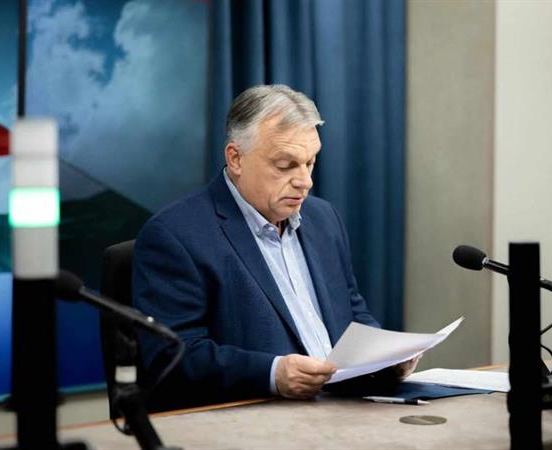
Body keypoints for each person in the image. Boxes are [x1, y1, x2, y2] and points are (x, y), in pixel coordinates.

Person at [133, 84, 418, 408]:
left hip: (345, 409)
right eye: (285, 165)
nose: (305, 181)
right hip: (255, 418)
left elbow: (352, 313)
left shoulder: (324, 219)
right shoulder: (175, 235)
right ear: (236, 158)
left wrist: (385, 356)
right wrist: (273, 374)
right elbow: (171, 357)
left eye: (310, 163)